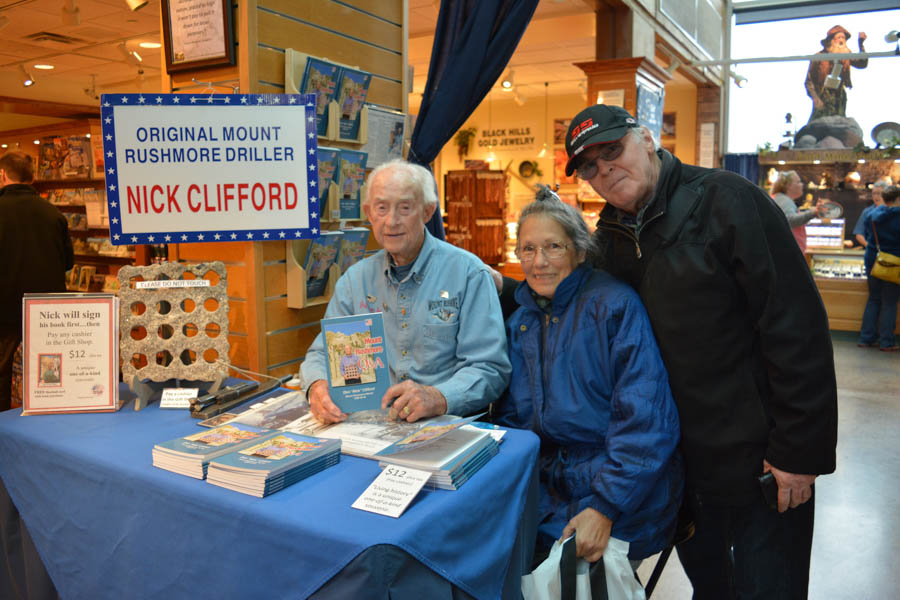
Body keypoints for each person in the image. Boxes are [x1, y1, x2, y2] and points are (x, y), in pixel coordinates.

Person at [563, 104, 837, 599]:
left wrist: (799, 450)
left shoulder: (727, 201)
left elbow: (796, 326)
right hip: (680, 468)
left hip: (762, 462)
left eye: (612, 150)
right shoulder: (610, 239)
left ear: (646, 139)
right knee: (711, 589)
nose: (604, 169)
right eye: (589, 165)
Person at [492, 188, 683, 565]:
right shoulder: (523, 322)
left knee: (554, 568)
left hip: (622, 487)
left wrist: (605, 506)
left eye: (553, 247)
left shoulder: (614, 306)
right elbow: (514, 422)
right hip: (551, 484)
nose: (539, 262)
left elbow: (645, 423)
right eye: (528, 249)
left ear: (580, 251)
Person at [301, 159, 510, 423]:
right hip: (369, 425)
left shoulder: (469, 274)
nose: (391, 221)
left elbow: (490, 369)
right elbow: (322, 354)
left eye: (405, 208)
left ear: (428, 211)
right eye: (381, 208)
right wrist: (317, 386)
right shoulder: (354, 281)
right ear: (368, 212)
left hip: (443, 426)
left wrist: (438, 397)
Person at [0, 150, 74, 410]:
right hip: (48, 311)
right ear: (32, 177)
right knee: (49, 369)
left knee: (2, 372)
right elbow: (68, 263)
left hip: (5, 310)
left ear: (2, 175)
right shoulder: (54, 214)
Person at [858, 185, 900, 351]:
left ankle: (866, 338)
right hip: (894, 261)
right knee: (889, 302)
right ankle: (886, 341)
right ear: (897, 199)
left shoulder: (871, 215)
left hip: (873, 259)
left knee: (874, 298)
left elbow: (867, 235)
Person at [805, 25, 867, 123]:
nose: (842, 40)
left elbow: (862, 64)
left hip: (839, 96)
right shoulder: (819, 57)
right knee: (819, 123)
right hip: (823, 95)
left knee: (838, 123)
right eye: (839, 37)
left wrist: (861, 44)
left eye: (843, 38)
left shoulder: (846, 55)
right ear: (832, 40)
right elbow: (809, 81)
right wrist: (815, 98)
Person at [770, 170, 821, 251]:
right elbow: (789, 220)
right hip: (787, 252)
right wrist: (812, 213)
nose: (802, 184)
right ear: (788, 185)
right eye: (798, 182)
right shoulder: (784, 200)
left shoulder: (780, 199)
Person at [853, 181, 888, 247]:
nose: (876, 196)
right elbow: (859, 234)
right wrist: (870, 247)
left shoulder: (894, 210)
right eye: (874, 194)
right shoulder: (867, 212)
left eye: (879, 194)